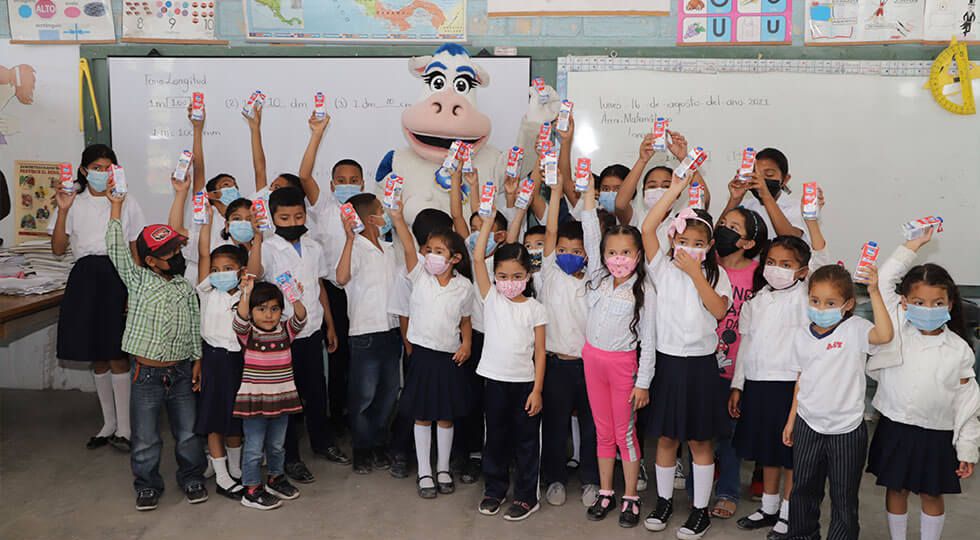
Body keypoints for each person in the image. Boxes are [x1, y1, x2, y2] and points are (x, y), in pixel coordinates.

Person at [866, 229, 979, 540]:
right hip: (896, 426)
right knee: (896, 488)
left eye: (937, 302)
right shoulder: (896, 329)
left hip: (937, 434)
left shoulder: (959, 350)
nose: (927, 309)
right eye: (919, 301)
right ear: (904, 303)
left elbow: (967, 403)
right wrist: (913, 245)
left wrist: (967, 448)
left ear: (950, 303)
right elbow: (886, 278)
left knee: (931, 494)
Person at [641, 173, 733, 539]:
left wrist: (697, 274)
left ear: (709, 245)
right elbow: (647, 228)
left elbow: (719, 311)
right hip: (668, 363)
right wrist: (676, 190)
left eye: (698, 242)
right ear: (673, 239)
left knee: (699, 440)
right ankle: (663, 502)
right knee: (665, 438)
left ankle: (700, 510)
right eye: (683, 240)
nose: (690, 246)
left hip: (700, 367)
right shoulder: (661, 268)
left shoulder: (716, 274)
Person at [729, 199, 828, 535]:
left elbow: (823, 261)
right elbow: (745, 345)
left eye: (786, 264)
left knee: (791, 455)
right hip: (757, 383)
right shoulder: (756, 301)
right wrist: (738, 385)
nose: (776, 268)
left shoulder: (806, 296)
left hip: (790, 386)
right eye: (771, 262)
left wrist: (812, 220)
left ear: (802, 270)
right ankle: (768, 508)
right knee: (766, 452)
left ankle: (789, 512)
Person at [105, 187, 205, 511]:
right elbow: (115, 247)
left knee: (188, 433)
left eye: (177, 249)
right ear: (150, 260)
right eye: (168, 253)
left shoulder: (185, 288)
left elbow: (193, 325)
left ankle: (192, 477)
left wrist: (197, 360)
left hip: (180, 373)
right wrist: (116, 208)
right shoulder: (137, 280)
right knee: (146, 437)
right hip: (145, 375)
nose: (176, 256)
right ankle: (147, 484)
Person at [781, 263, 894, 540]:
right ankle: (801, 535)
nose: (821, 308)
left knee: (843, 496)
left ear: (847, 304)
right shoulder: (801, 335)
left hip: (847, 429)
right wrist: (791, 419)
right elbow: (800, 379)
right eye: (815, 300)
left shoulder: (856, 329)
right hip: (808, 424)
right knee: (803, 489)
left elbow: (885, 336)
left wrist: (875, 291)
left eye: (830, 302)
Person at [50, 144, 146, 452]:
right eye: (97, 167)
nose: (102, 173)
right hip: (85, 277)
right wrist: (63, 210)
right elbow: (57, 248)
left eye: (108, 167)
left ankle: (127, 429)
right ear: (83, 171)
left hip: (117, 275)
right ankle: (108, 424)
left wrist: (137, 289)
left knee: (117, 352)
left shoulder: (126, 201)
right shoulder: (72, 202)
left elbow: (135, 248)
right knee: (97, 354)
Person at [574, 171, 655, 527]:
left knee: (625, 434)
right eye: (612, 252)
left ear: (638, 254)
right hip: (592, 360)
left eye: (625, 252)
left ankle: (631, 496)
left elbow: (649, 340)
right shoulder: (598, 277)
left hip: (624, 367)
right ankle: (606, 492)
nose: (617, 258)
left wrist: (644, 382)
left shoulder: (644, 290)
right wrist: (588, 194)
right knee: (602, 431)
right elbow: (591, 232)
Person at [389, 201, 473, 498]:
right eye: (429, 250)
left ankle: (443, 468)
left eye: (439, 251)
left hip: (449, 357)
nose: (431, 256)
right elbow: (409, 247)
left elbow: (465, 319)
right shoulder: (419, 277)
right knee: (422, 414)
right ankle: (424, 471)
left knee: (446, 415)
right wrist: (398, 217)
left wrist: (467, 343)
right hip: (423, 355)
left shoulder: (464, 287)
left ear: (455, 258)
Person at [258, 187, 340, 484]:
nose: (292, 221)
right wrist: (255, 239)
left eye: (298, 215)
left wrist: (330, 324)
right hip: (283, 335)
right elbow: (255, 276)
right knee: (287, 399)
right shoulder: (267, 249)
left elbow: (319, 288)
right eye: (284, 216)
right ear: (273, 217)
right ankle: (289, 457)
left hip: (313, 329)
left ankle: (323, 442)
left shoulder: (313, 246)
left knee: (317, 392)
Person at [472, 205, 547, 522]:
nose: (509, 281)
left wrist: (538, 390)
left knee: (527, 442)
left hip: (525, 385)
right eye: (502, 276)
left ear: (528, 275)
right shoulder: (491, 298)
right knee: (496, 438)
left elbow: (540, 352)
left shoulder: (535, 308)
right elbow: (477, 258)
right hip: (494, 381)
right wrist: (488, 222)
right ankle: (495, 489)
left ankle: (527, 496)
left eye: (517, 276)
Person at [693, 206, 768, 521]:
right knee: (698, 429)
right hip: (701, 362)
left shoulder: (758, 274)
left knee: (730, 433)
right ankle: (700, 485)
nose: (723, 229)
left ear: (748, 242)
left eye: (732, 227)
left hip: (738, 367)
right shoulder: (707, 266)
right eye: (722, 224)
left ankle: (727, 491)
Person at [298, 111, 364, 445]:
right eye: (342, 179)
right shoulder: (323, 205)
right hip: (332, 292)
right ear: (333, 183)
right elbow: (304, 174)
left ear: (363, 184)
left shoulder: (370, 207)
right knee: (337, 357)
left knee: (360, 358)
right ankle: (336, 416)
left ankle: (358, 415)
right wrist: (316, 134)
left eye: (354, 179)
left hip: (362, 292)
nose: (348, 184)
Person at [538, 171, 600, 511]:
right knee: (556, 425)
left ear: (588, 254)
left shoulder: (593, 278)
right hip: (555, 363)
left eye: (575, 250)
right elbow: (549, 230)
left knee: (592, 426)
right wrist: (556, 191)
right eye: (562, 249)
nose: (567, 254)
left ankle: (591, 478)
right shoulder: (549, 272)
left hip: (589, 365)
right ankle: (556, 478)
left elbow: (591, 241)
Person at [192, 205, 262, 500]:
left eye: (228, 269)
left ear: (242, 272)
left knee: (235, 419)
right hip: (213, 359)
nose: (220, 274)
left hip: (239, 361)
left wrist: (257, 237)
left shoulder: (246, 295)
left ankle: (234, 470)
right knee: (213, 419)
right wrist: (206, 223)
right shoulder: (207, 291)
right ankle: (221, 476)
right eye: (215, 270)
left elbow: (254, 272)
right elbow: (203, 254)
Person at [335, 193, 402, 474]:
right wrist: (350, 239)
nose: (385, 215)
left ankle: (379, 443)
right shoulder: (357, 248)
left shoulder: (389, 250)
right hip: (365, 333)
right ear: (370, 218)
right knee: (364, 396)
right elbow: (340, 278)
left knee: (388, 394)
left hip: (391, 331)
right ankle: (361, 448)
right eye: (381, 211)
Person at [233, 277, 307, 510]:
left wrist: (295, 297)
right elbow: (240, 321)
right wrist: (245, 293)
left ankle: (276, 478)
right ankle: (252, 488)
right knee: (254, 447)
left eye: (275, 309)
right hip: (255, 401)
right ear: (252, 311)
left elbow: (301, 318)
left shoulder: (286, 332)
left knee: (277, 445)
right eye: (262, 309)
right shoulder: (249, 335)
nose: (268, 315)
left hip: (282, 399)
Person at [720, 148, 806, 242]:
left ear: (785, 179)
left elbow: (790, 240)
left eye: (769, 175)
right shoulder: (746, 205)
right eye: (756, 174)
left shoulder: (797, 207)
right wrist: (735, 200)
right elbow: (718, 236)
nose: (760, 180)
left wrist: (766, 195)